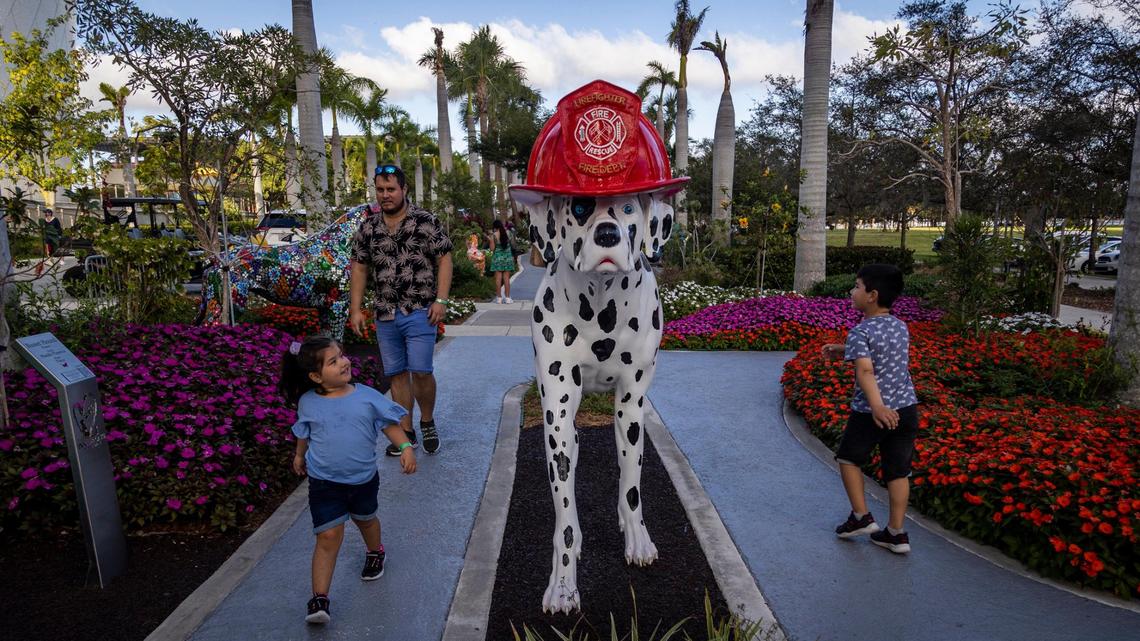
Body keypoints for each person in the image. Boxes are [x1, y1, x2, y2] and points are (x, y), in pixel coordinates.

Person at [279, 336, 417, 625]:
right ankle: (320, 599)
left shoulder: (366, 396)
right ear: (315, 376)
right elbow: (304, 432)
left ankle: (375, 551)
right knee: (328, 536)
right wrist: (299, 455)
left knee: (366, 519)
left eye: (342, 355)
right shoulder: (308, 402)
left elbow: (390, 424)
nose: (344, 361)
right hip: (324, 483)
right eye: (334, 361)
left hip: (362, 479)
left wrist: (405, 447)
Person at [349, 164, 453, 456]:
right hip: (385, 313)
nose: (385, 195)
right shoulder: (368, 227)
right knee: (396, 375)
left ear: (404, 190)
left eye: (391, 189)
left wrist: (441, 300)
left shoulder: (424, 221)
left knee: (421, 371)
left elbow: (444, 258)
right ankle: (406, 431)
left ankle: (428, 420)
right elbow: (359, 267)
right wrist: (355, 309)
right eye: (380, 189)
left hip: (421, 310)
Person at [821, 264, 919, 554]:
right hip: (906, 409)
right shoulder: (901, 327)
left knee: (849, 459)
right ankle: (896, 533)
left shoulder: (860, 331)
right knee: (898, 472)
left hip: (871, 412)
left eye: (857, 286)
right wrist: (843, 349)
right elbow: (883, 355)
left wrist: (877, 406)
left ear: (872, 295)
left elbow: (865, 372)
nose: (852, 292)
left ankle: (861, 517)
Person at [487, 219, 515, 304]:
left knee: (498, 279)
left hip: (497, 258)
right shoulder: (509, 233)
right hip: (507, 258)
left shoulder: (494, 235)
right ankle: (507, 298)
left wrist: (490, 240)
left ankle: (499, 298)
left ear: (495, 227)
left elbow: (492, 249)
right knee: (506, 279)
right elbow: (513, 245)